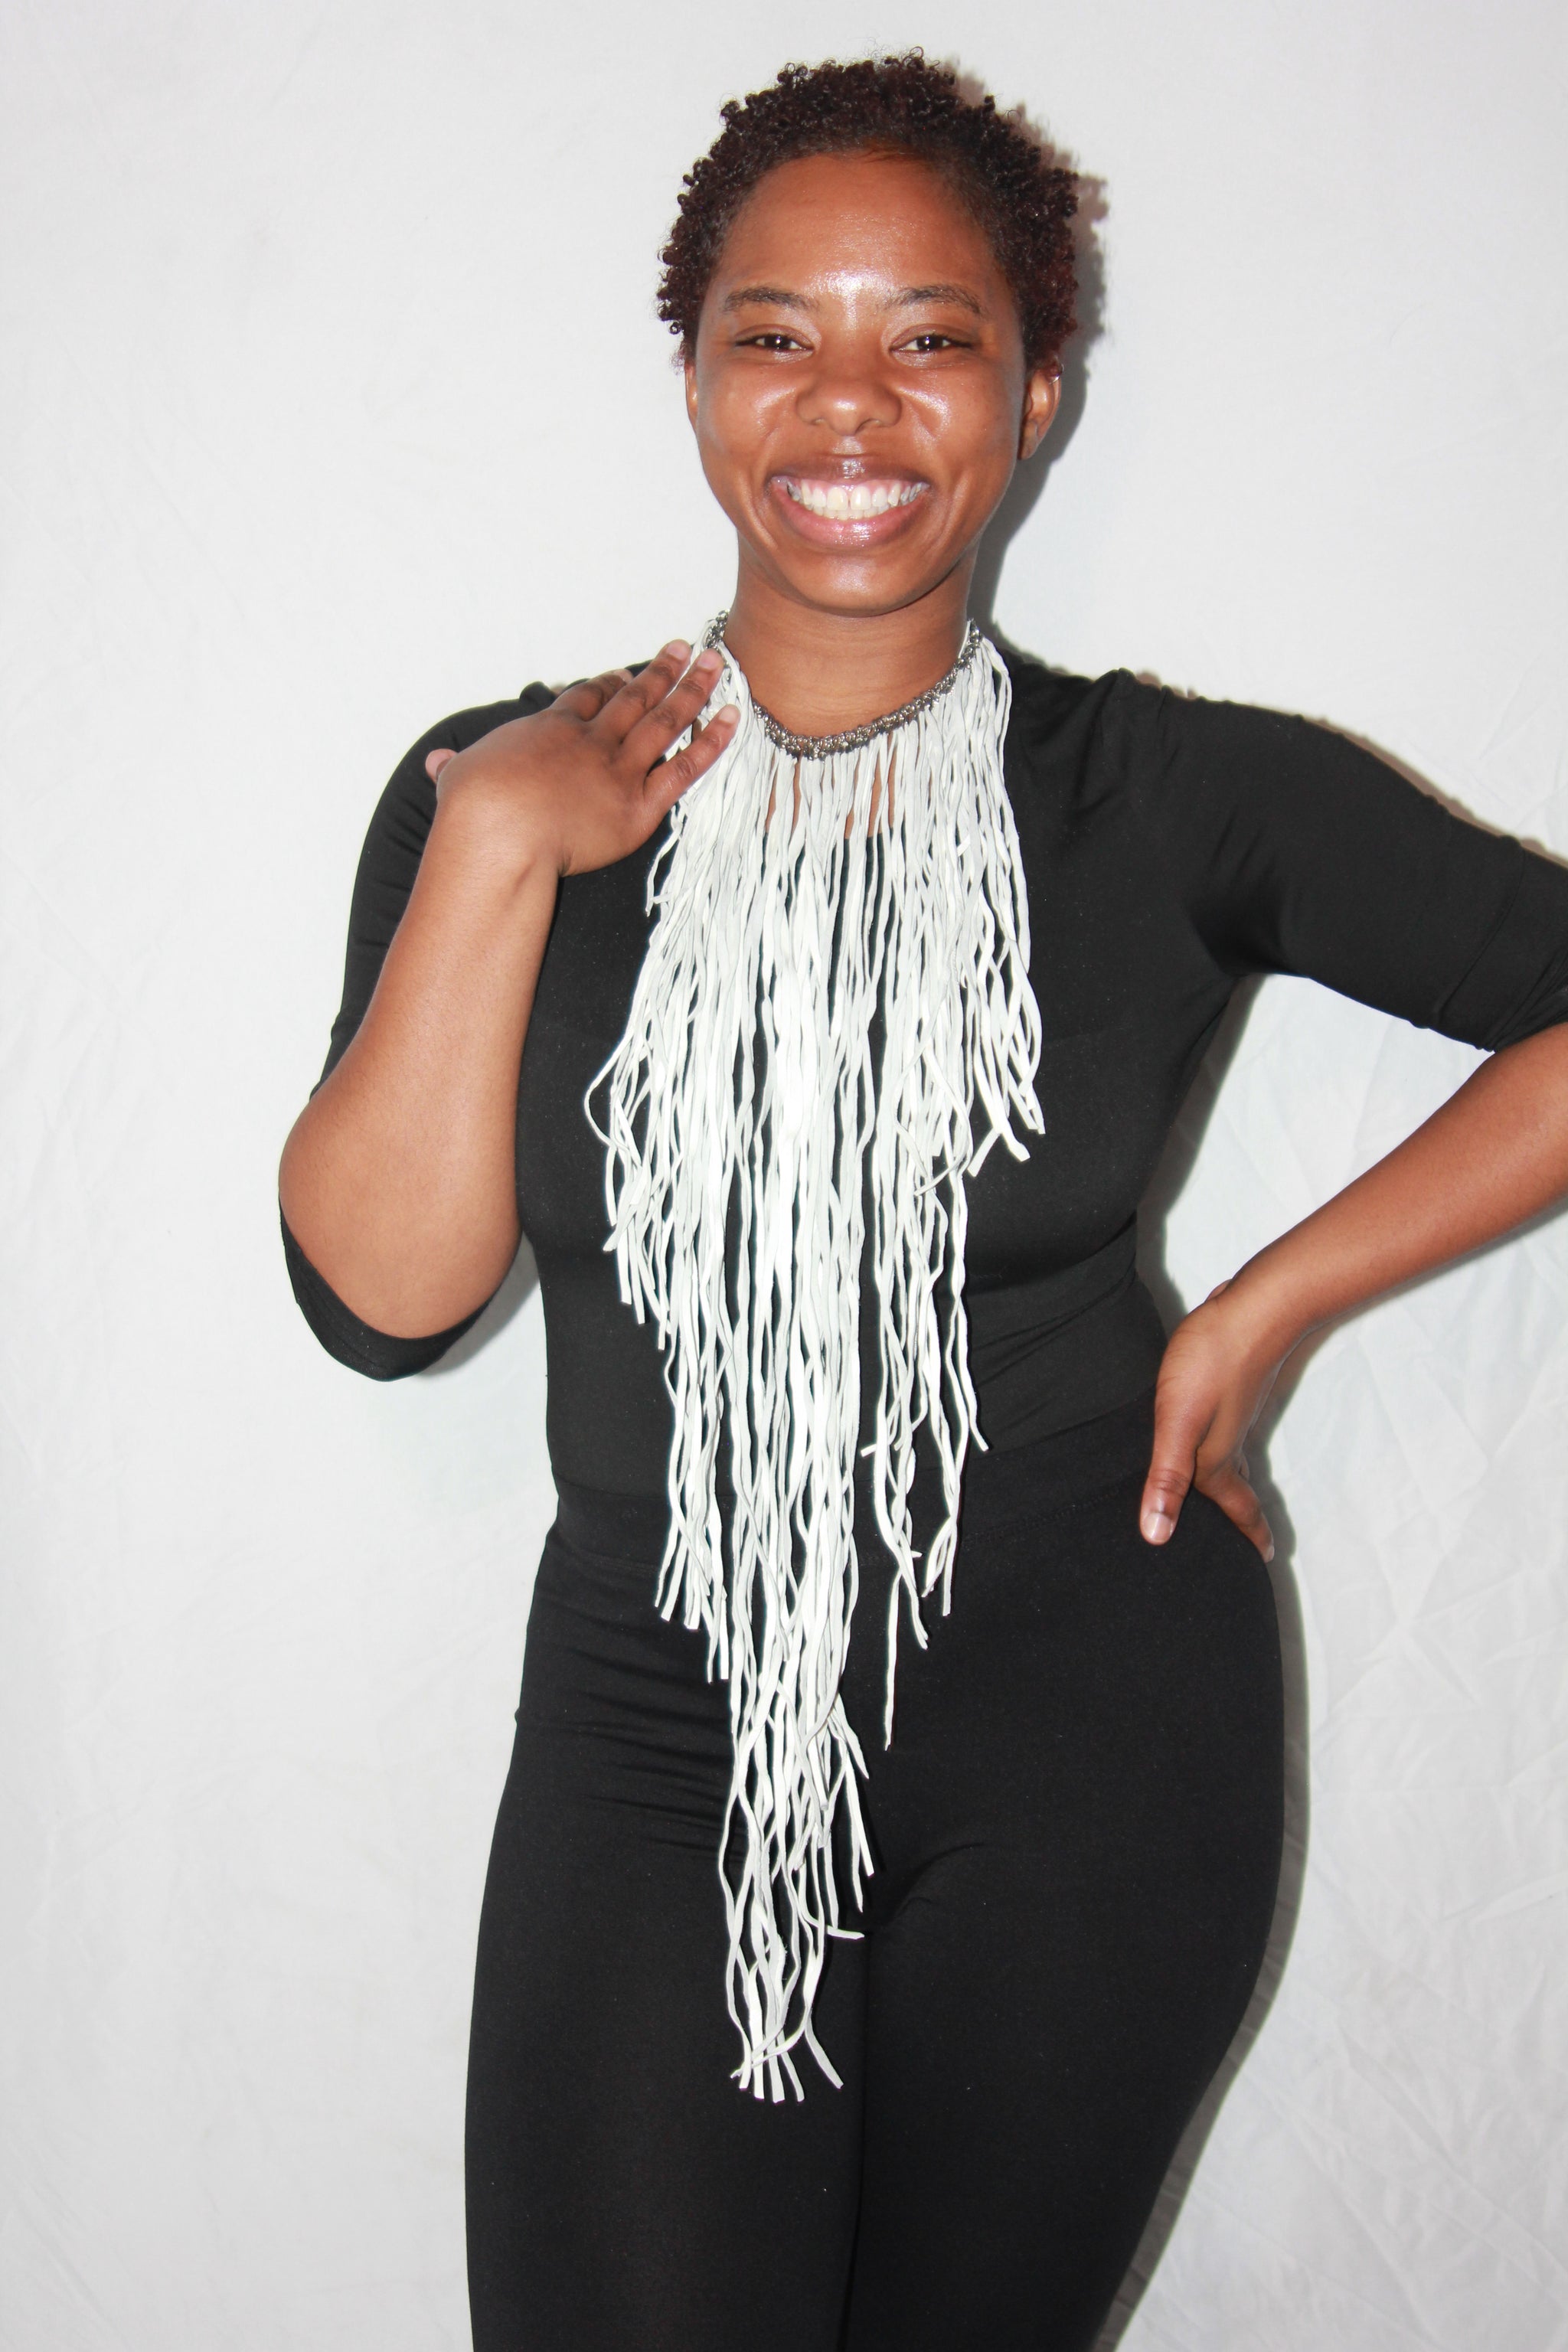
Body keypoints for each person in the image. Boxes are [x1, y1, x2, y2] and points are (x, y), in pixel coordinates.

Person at [277, 53, 1568, 2352]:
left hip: (1095, 1729)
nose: (849, 401)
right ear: (695, 379)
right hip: (658, 1733)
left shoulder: (1162, 793)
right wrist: (496, 843)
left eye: (933, 335)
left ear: (1037, 389)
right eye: (775, 333)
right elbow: (383, 1306)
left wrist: (1268, 1306)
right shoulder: (505, 784)